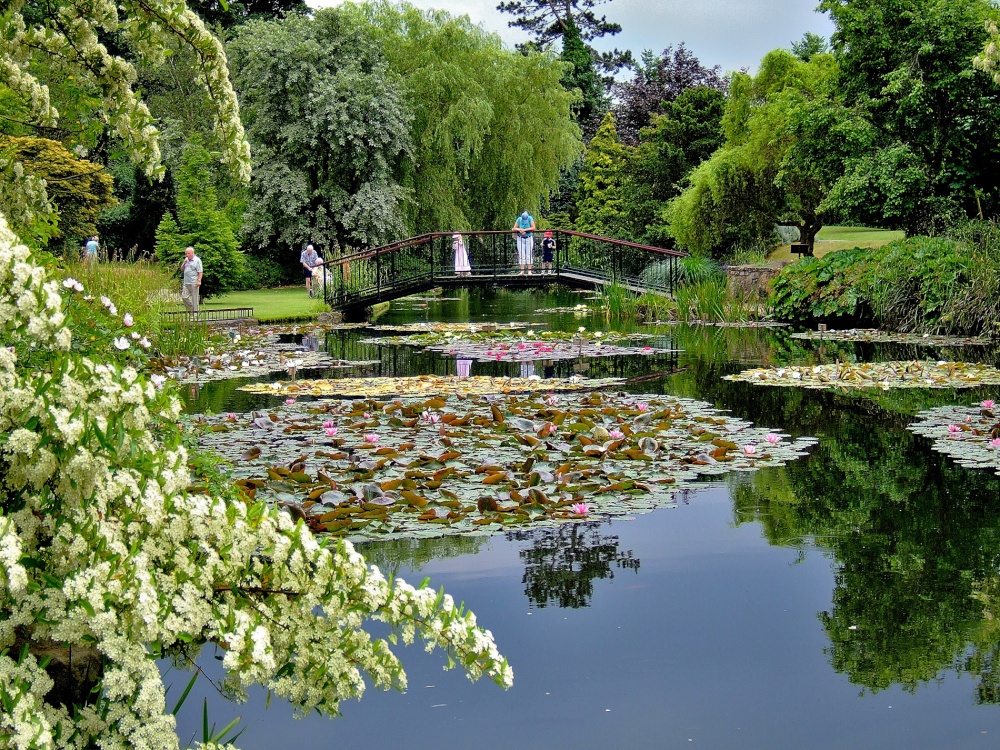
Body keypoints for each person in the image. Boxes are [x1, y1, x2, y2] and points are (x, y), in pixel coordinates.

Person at [180, 246, 203, 314]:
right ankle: (192, 309)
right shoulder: (186, 260)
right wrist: (184, 263)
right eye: (186, 253)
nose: (187, 255)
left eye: (188, 253)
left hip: (194, 282)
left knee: (194, 299)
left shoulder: (197, 260)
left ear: (192, 253)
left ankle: (195, 315)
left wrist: (199, 280)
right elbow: (182, 269)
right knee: (184, 297)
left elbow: (200, 271)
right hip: (186, 282)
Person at [512, 210, 535, 275]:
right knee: (521, 254)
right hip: (520, 238)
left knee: (529, 254)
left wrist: (525, 230)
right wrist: (520, 230)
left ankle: (529, 271)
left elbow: (533, 228)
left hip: (528, 238)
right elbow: (514, 228)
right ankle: (522, 271)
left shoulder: (530, 218)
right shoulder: (519, 219)